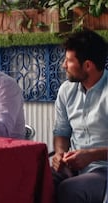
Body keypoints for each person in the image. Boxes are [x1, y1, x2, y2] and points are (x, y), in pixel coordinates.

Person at [51, 29, 108, 203]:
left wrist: (91, 155)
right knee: (33, 180)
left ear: (88, 65)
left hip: (103, 169)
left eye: (69, 60)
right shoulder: (66, 90)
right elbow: (62, 132)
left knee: (70, 189)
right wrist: (60, 155)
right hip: (72, 166)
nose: (63, 65)